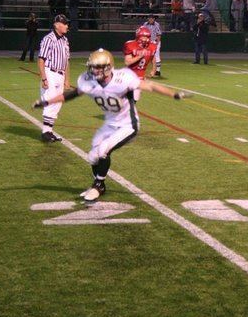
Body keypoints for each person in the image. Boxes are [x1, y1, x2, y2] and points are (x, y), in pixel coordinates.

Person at [33, 49, 189, 203]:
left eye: (97, 67)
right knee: (92, 156)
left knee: (103, 150)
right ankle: (98, 185)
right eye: (92, 66)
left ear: (107, 67)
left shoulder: (123, 79)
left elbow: (151, 86)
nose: (94, 70)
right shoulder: (90, 81)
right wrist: (46, 101)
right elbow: (71, 95)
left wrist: (173, 94)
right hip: (110, 123)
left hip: (128, 125)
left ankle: (98, 185)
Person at [36, 14, 71, 142]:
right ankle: (46, 132)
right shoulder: (48, 39)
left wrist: (67, 78)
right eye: (65, 23)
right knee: (50, 100)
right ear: (57, 25)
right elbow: (41, 60)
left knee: (57, 103)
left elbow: (66, 60)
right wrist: (44, 78)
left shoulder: (65, 40)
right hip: (50, 72)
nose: (67, 26)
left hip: (60, 74)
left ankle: (49, 131)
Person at [123, 27, 157, 101]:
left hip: (141, 76)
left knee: (135, 98)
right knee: (126, 97)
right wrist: (140, 56)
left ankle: (128, 110)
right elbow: (127, 62)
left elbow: (153, 57)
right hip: (129, 74)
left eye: (147, 37)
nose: (145, 39)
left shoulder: (152, 46)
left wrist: (154, 69)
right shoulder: (130, 45)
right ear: (138, 36)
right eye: (143, 37)